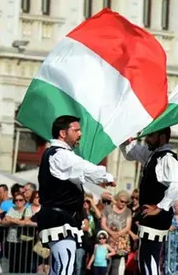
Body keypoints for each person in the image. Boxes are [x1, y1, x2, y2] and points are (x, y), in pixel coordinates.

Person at [38, 115, 115, 275]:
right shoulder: (59, 155)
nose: (80, 134)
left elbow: (77, 175)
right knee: (64, 268)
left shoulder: (58, 154)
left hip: (61, 218)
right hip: (59, 219)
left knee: (59, 268)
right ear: (63, 133)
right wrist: (105, 176)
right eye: (76, 130)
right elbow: (82, 167)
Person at [120, 127, 178, 275]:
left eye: (151, 136)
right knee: (144, 259)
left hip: (157, 217)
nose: (147, 139)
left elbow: (177, 184)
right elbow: (131, 153)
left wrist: (160, 207)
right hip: (149, 216)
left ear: (162, 137)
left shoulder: (167, 157)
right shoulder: (153, 154)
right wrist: (123, 140)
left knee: (150, 259)